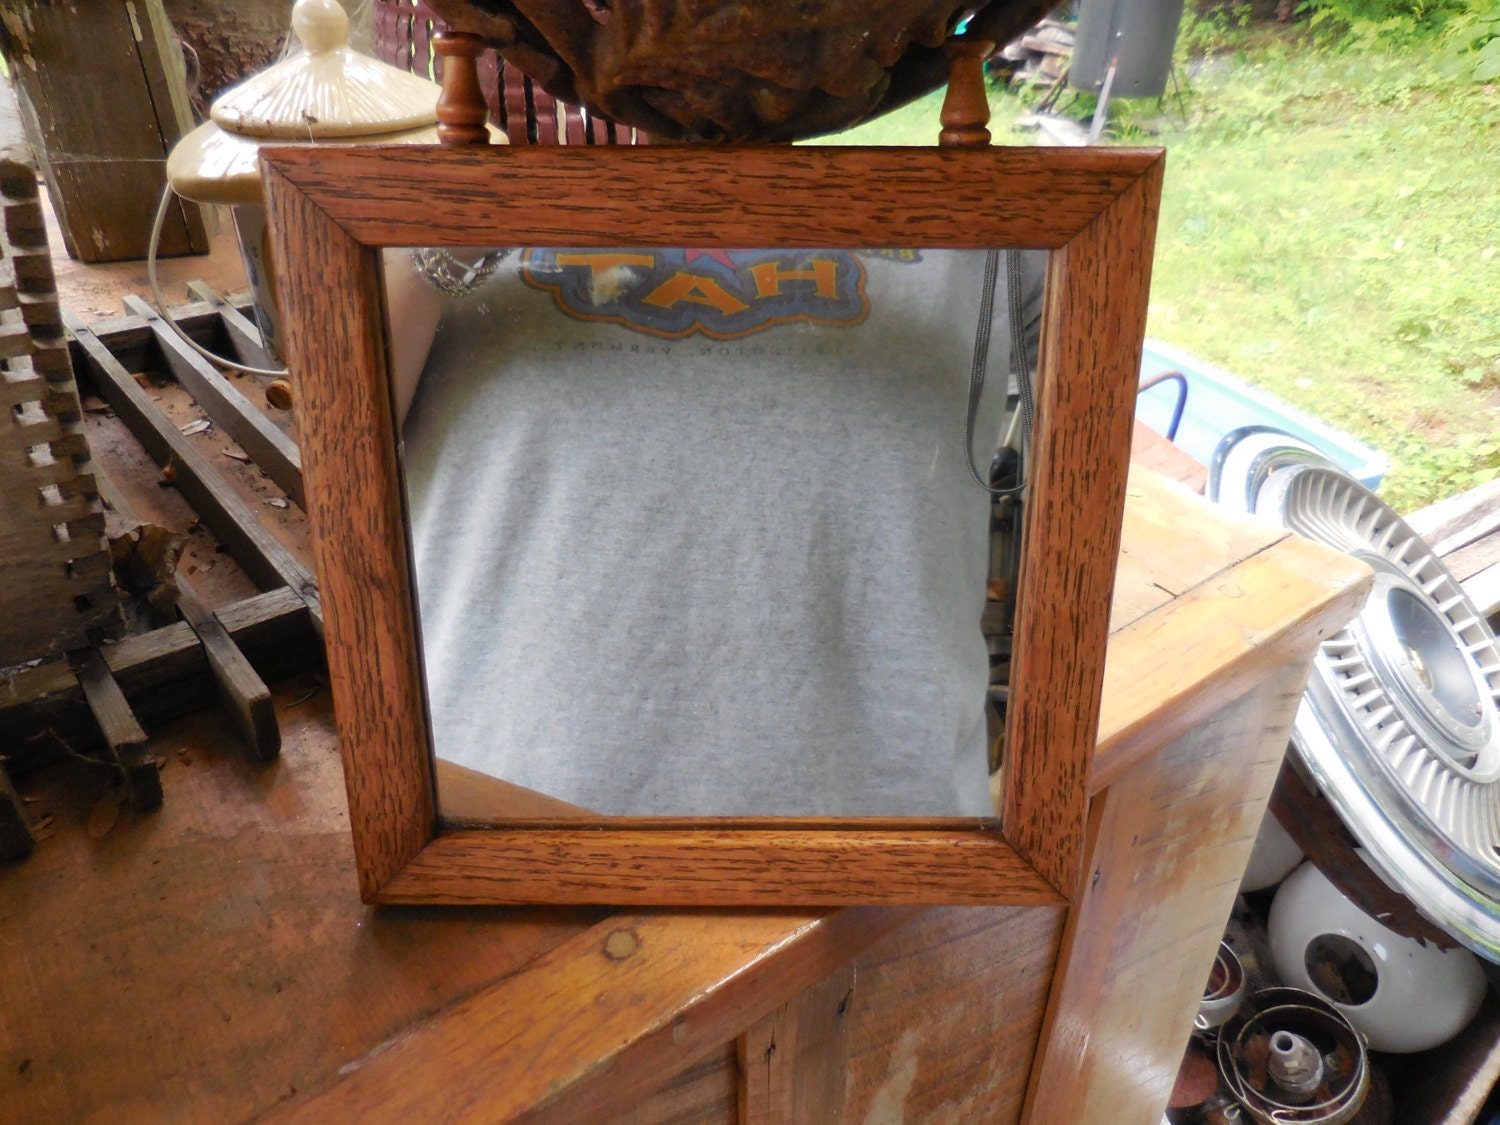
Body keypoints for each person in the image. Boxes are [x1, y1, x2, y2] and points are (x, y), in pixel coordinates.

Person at [386, 243, 1045, 817]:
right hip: (485, 849)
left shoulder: (997, 239)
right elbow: (334, 452)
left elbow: (1094, 500)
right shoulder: (415, 185)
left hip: (880, 881)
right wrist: (447, 243)